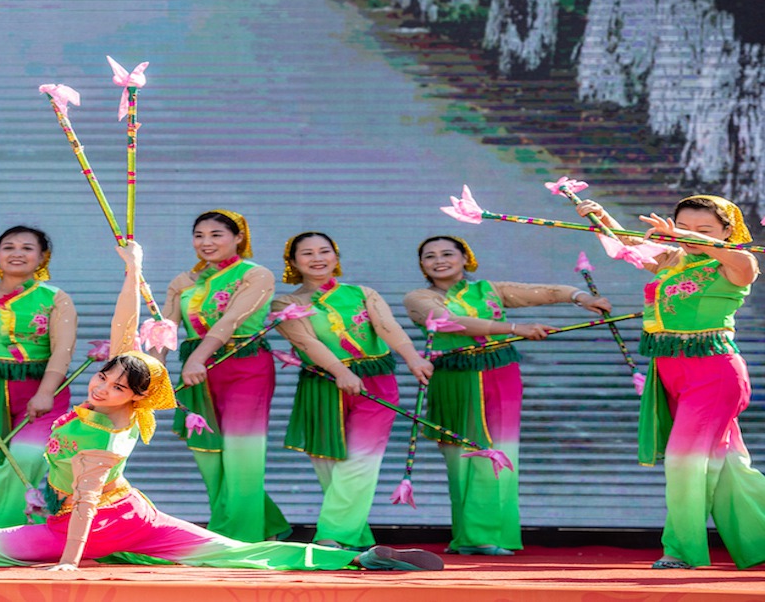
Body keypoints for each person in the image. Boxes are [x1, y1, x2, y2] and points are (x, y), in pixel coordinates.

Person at [0, 241, 443, 572]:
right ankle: (364, 557)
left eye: (112, 384)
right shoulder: (123, 396)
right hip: (136, 519)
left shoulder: (112, 434)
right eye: (102, 377)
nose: (99, 384)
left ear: (134, 400)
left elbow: (81, 509)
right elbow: (124, 334)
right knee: (244, 553)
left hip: (86, 529)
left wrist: (67, 565)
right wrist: (133, 270)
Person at [576, 195, 765, 570]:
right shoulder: (673, 259)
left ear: (727, 231)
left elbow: (734, 259)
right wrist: (601, 216)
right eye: (682, 227)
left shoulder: (739, 263)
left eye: (704, 229)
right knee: (730, 467)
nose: (688, 236)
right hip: (671, 371)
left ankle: (680, 550)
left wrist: (681, 236)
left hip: (714, 372)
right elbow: (627, 245)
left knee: (683, 461)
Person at [402, 235, 610, 556]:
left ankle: (494, 535)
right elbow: (449, 322)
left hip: (500, 373)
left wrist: (580, 297)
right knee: (464, 456)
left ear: (465, 258)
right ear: (422, 265)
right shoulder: (418, 298)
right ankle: (474, 537)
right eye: (430, 256)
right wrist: (515, 328)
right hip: (456, 378)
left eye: (447, 253)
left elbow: (544, 292)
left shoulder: (490, 289)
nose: (439, 260)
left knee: (501, 451)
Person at [272, 231, 433, 550]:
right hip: (322, 384)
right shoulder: (286, 304)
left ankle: (332, 536)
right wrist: (341, 372)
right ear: (293, 262)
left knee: (360, 460)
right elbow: (307, 342)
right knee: (329, 461)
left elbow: (387, 327)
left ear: (336, 256)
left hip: (375, 381)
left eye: (324, 251)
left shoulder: (362, 293)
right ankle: (355, 537)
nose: (317, 258)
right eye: (307, 253)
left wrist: (413, 358)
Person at [158, 210, 288, 542]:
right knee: (208, 453)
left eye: (216, 234)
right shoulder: (184, 281)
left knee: (242, 451)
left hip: (244, 367)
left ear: (238, 237)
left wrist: (197, 358)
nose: (206, 242)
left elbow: (231, 320)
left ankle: (238, 536)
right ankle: (262, 525)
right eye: (199, 235)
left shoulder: (255, 274)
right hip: (197, 373)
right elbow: (166, 328)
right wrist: (152, 368)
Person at [0, 226, 76, 530]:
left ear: (42, 257)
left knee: (26, 459)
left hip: (44, 392)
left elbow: (63, 349)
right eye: (9, 247)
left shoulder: (56, 298)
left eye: (27, 248)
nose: (17, 253)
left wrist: (46, 393)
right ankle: (27, 533)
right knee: (4, 469)